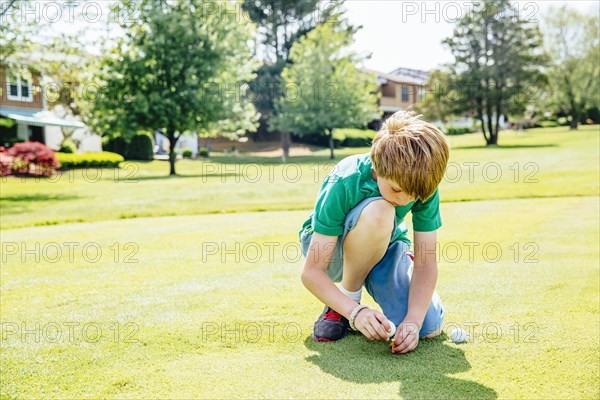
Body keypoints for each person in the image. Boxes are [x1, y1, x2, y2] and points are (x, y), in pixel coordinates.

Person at [299, 111, 449, 354]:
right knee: (381, 209)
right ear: (378, 169)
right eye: (397, 189)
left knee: (427, 327)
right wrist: (354, 312)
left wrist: (413, 321)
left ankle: (403, 275)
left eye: (416, 195)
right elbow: (311, 272)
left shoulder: (421, 184)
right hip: (332, 252)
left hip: (384, 246)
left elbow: (427, 262)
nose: (408, 200)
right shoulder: (345, 178)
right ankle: (344, 302)